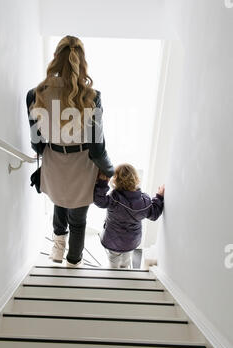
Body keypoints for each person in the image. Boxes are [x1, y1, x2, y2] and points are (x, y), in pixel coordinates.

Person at [26, 35, 114, 267]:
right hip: (81, 164)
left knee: (59, 200)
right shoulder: (92, 97)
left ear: (55, 58)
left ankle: (57, 249)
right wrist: (109, 170)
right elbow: (97, 146)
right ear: (82, 61)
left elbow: (36, 141)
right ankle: (73, 262)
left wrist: (45, 149)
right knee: (78, 219)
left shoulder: (35, 94)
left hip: (54, 159)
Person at [93, 163, 164, 269]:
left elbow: (99, 201)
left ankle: (113, 271)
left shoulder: (114, 199)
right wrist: (159, 196)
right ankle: (125, 268)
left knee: (113, 259)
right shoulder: (144, 201)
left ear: (115, 180)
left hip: (112, 240)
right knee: (127, 257)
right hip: (131, 241)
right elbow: (154, 215)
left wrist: (103, 182)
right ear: (136, 179)